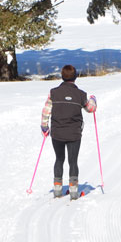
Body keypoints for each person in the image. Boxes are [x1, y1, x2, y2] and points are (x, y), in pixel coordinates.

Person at [40, 64, 97, 199]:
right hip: (74, 134)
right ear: (75, 77)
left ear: (62, 77)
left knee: (59, 159)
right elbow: (91, 109)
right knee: (73, 161)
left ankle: (58, 190)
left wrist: (44, 127)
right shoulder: (81, 95)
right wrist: (93, 99)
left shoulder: (53, 92)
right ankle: (73, 191)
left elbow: (46, 111)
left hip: (57, 133)